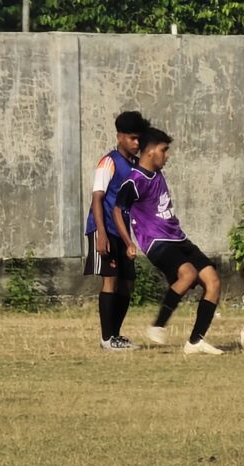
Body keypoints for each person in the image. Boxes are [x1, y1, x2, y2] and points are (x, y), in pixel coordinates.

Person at [112, 127, 223, 355]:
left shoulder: (157, 173)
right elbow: (117, 210)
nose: (167, 155)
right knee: (188, 274)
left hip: (178, 237)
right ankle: (158, 324)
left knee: (213, 282)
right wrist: (128, 242)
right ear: (150, 151)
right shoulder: (134, 181)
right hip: (156, 242)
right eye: (164, 150)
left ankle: (195, 341)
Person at [83, 111, 150, 351]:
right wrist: (101, 233)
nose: (136, 143)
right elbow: (97, 198)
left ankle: (116, 336)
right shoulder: (108, 162)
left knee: (127, 283)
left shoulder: (134, 166)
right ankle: (106, 338)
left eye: (138, 139)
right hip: (104, 229)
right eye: (132, 138)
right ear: (119, 136)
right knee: (110, 281)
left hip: (122, 232)